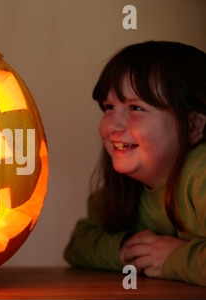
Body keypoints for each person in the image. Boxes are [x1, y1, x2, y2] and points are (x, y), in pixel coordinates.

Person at [64, 41, 206, 286]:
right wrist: (126, 250)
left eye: (136, 107)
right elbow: (79, 244)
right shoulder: (126, 186)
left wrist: (173, 258)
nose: (112, 126)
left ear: (193, 126)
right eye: (109, 107)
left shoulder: (201, 172)